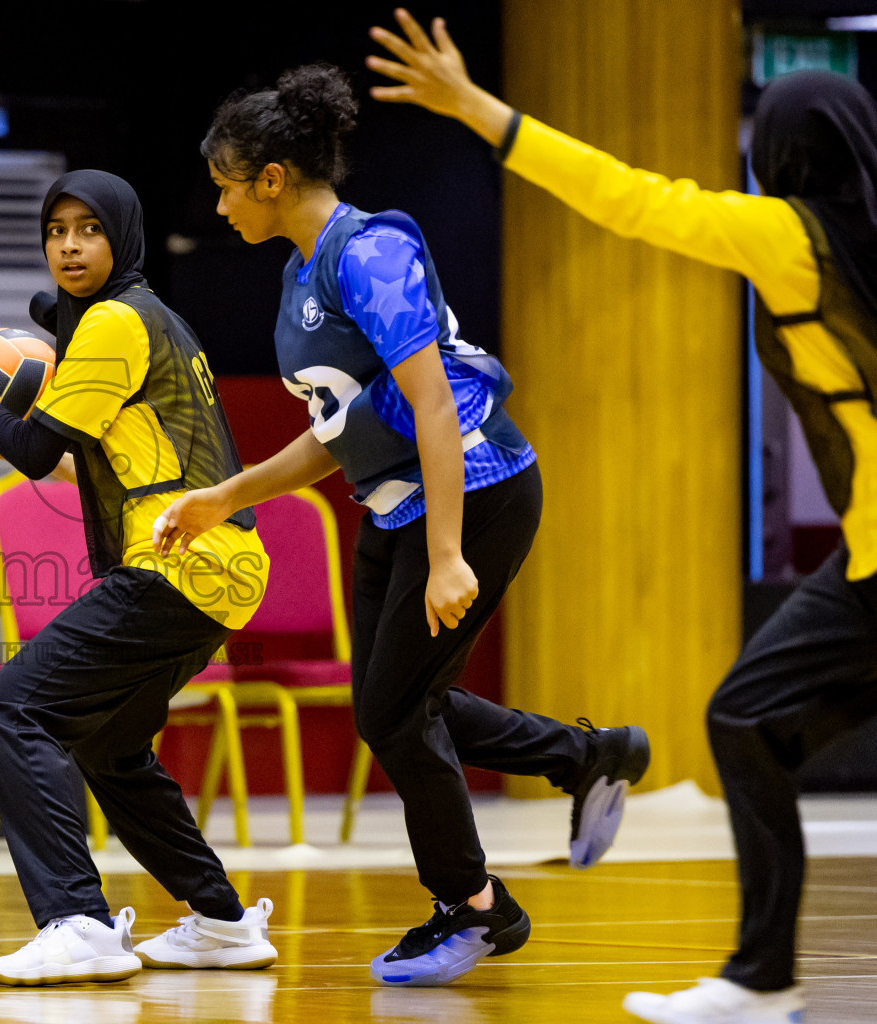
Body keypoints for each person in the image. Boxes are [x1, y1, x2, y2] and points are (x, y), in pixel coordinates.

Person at [366, 9, 877, 1022]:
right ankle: (760, 977)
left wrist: (477, 108)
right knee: (754, 723)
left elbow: (634, 201)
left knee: (745, 718)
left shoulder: (794, 237)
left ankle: (760, 979)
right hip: (865, 559)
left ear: (782, 155)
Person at [154, 63, 650, 988]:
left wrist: (451, 555)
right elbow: (340, 434)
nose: (218, 206)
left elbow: (430, 405)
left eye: (225, 185)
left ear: (270, 177)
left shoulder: (368, 252)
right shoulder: (301, 272)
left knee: (390, 709)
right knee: (397, 702)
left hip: (478, 488)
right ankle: (592, 756)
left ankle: (474, 907)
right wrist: (227, 496)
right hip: (393, 506)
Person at [0, 170, 277, 986]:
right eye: (56, 231)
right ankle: (221, 921)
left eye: (88, 229)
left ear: (122, 235)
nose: (70, 246)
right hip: (219, 567)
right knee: (112, 744)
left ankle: (75, 920)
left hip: (177, 563)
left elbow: (36, 452)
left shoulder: (116, 322)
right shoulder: (151, 317)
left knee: (13, 705)